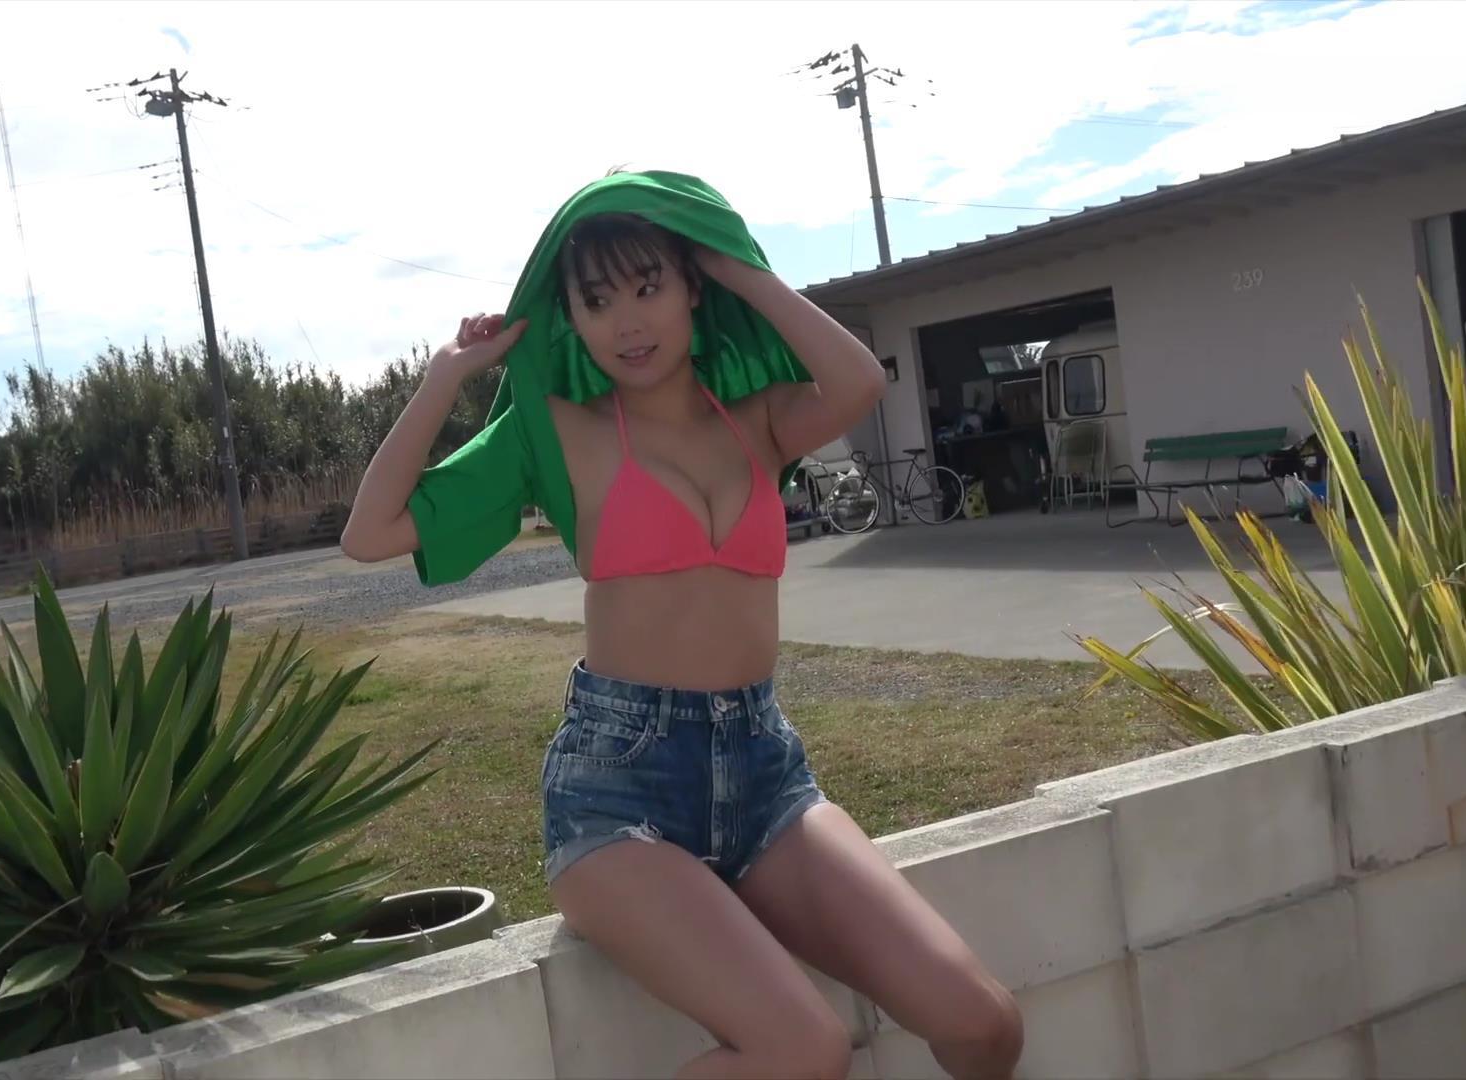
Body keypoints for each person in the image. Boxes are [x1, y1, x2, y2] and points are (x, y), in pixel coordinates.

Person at [343, 172, 1022, 1080]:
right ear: (570, 317)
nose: (626, 322)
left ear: (691, 286)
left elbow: (860, 377)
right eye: (595, 301)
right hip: (619, 794)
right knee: (805, 1050)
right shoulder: (561, 429)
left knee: (984, 1024)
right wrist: (445, 378)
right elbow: (369, 534)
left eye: (648, 286)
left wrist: (739, 267)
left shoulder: (761, 419)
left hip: (765, 777)